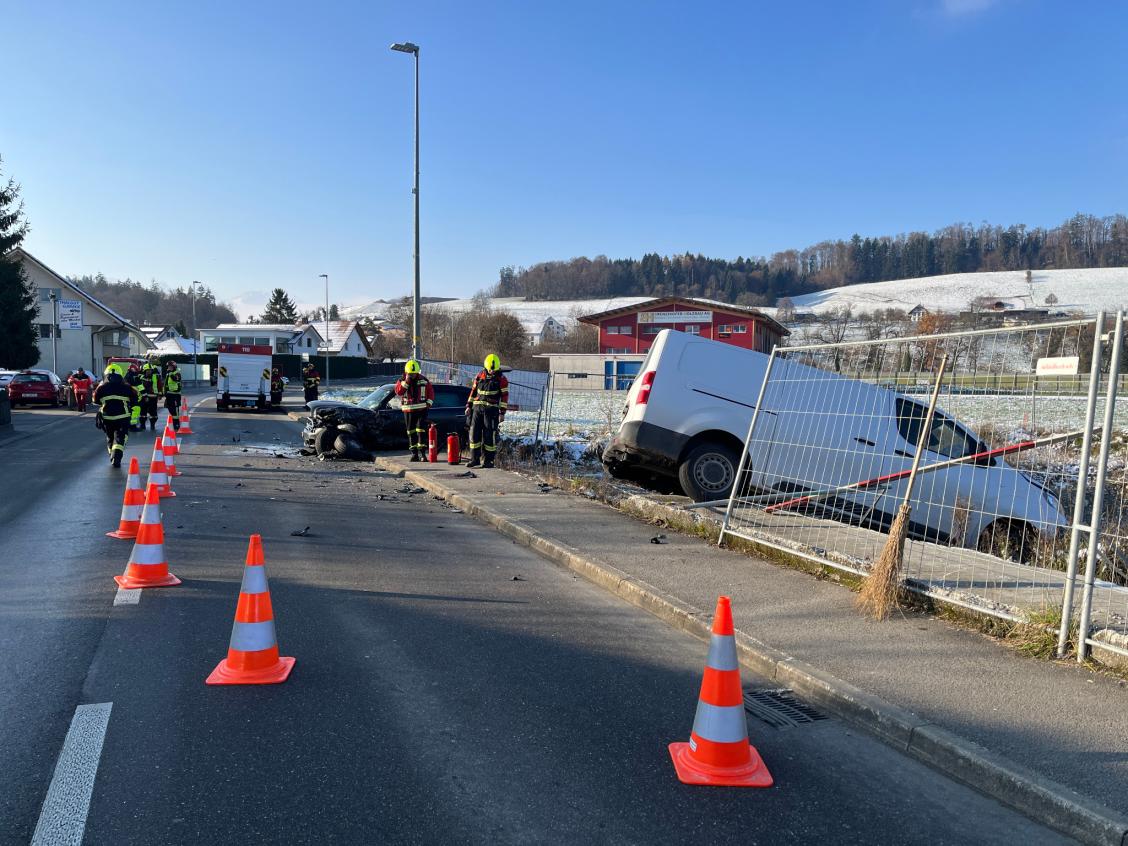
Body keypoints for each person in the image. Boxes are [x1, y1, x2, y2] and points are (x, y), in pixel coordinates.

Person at [465, 353, 508, 469]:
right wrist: (468, 406)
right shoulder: (480, 375)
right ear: (486, 367)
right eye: (490, 369)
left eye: (494, 370)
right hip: (477, 409)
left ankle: (489, 461)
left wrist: (502, 413)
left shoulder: (502, 379)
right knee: (474, 434)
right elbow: (473, 392)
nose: (492, 371)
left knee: (489, 436)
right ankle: (475, 459)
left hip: (491, 410)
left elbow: (504, 397)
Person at [93, 363, 139, 467]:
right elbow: (135, 397)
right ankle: (116, 456)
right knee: (121, 437)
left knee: (109, 437)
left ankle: (112, 454)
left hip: (107, 417)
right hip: (123, 417)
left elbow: (95, 400)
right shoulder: (126, 387)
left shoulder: (101, 387)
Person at [394, 359, 434, 462]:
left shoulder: (424, 380)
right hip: (408, 411)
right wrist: (407, 382)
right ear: (407, 372)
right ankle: (414, 454)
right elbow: (399, 392)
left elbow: (430, 392)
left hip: (421, 410)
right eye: (411, 373)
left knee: (421, 431)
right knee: (411, 432)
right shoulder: (402, 380)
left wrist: (429, 403)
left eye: (414, 373)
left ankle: (423, 454)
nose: (413, 375)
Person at [138, 355, 162, 431]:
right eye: (147, 370)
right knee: (142, 412)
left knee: (153, 413)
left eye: (150, 370)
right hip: (143, 398)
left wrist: (160, 394)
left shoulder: (156, 377)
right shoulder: (140, 377)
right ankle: (142, 425)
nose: (149, 372)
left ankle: (152, 425)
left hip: (153, 398)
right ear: (144, 371)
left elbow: (160, 385)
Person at [163, 359, 182, 431]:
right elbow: (166, 384)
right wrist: (164, 392)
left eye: (170, 367)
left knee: (175, 410)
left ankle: (176, 424)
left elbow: (176, 379)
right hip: (169, 395)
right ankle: (175, 422)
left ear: (174, 367)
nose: (168, 368)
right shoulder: (168, 373)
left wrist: (170, 373)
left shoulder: (177, 373)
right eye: (168, 367)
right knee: (170, 409)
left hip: (175, 395)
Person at [125, 362, 144, 431]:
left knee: (129, 411)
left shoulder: (126, 376)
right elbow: (140, 386)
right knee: (135, 410)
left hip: (129, 397)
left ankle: (130, 426)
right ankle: (133, 426)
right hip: (134, 397)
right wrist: (144, 395)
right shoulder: (134, 376)